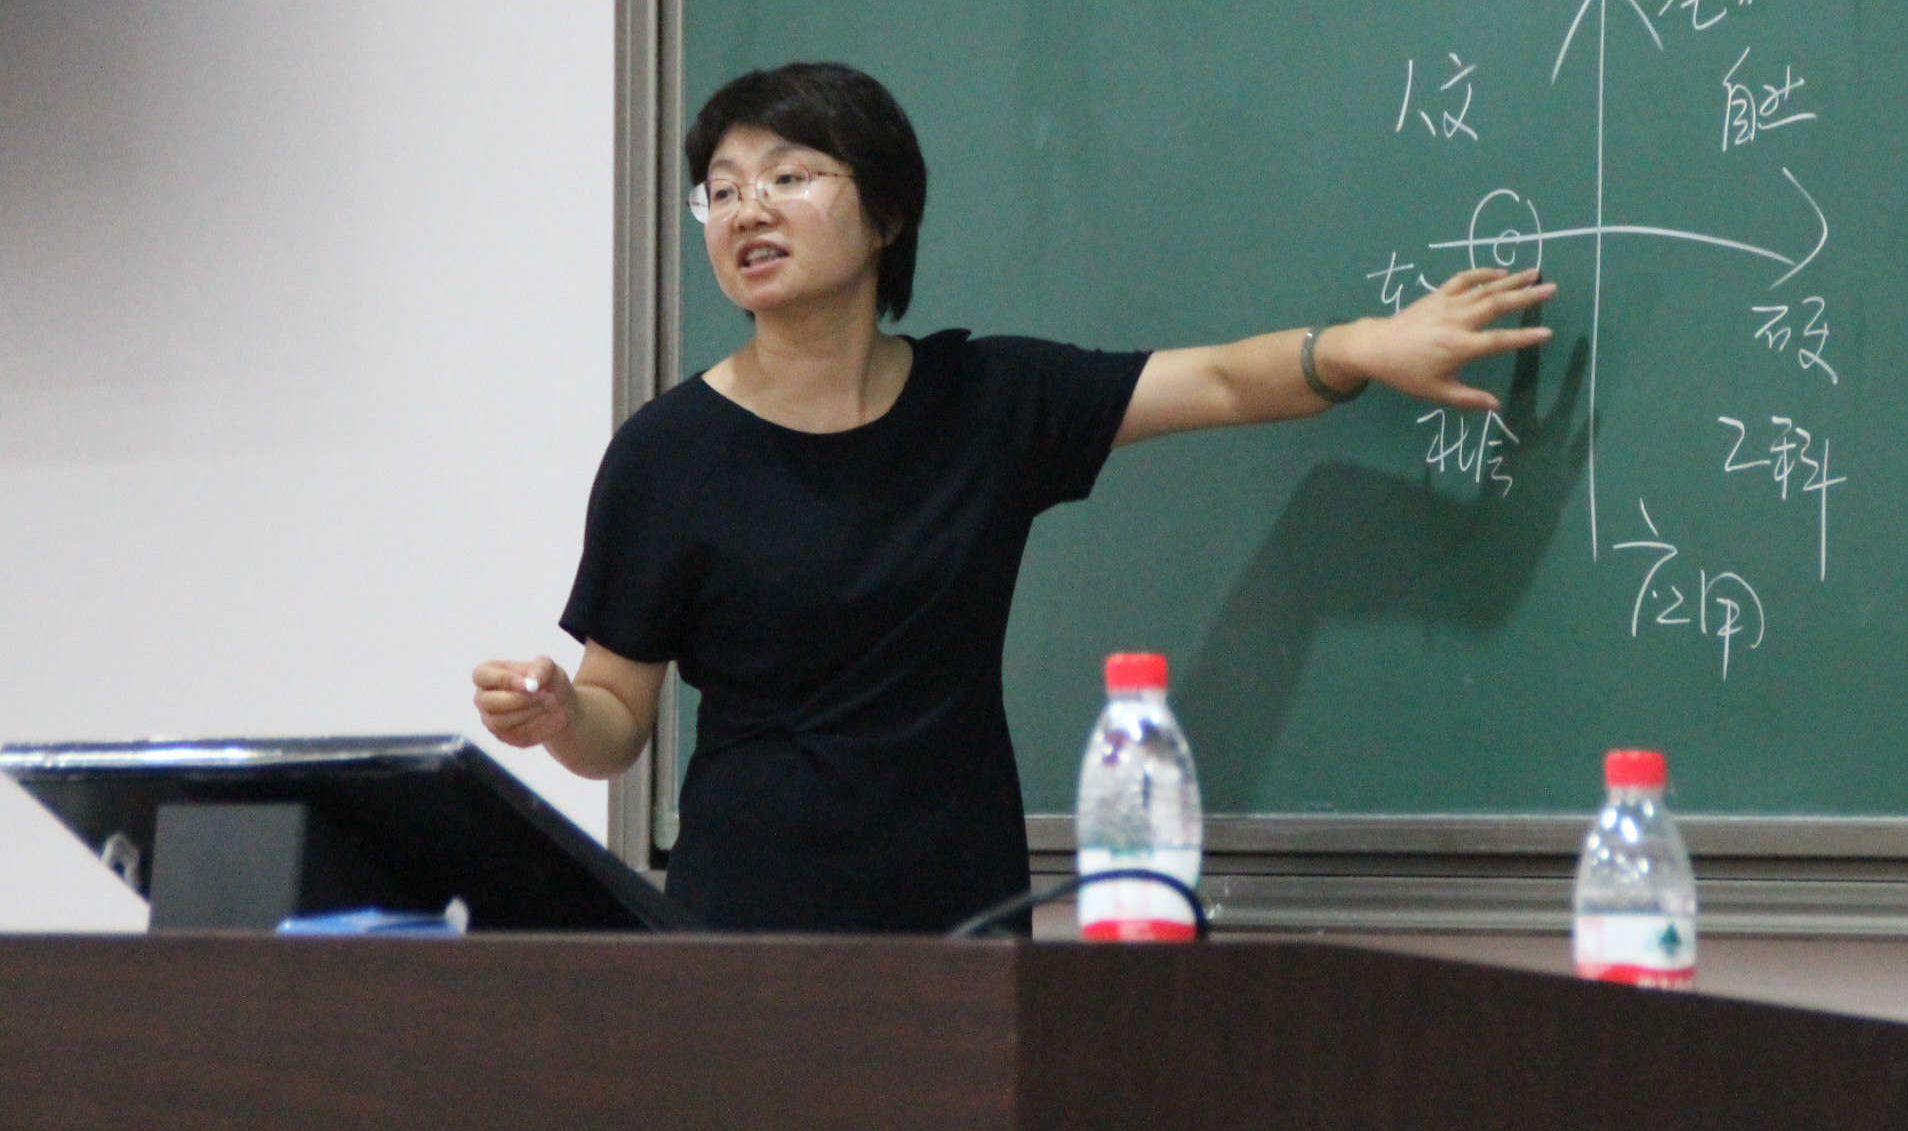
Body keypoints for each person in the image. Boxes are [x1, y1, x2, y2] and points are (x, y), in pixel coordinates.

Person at [472, 62, 1554, 932]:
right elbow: (616, 719)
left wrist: (1366, 345)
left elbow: (1222, 380)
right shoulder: (667, 453)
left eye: (790, 176)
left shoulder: (988, 401)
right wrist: (561, 714)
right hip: (748, 923)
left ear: (886, 213)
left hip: (965, 911)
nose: (747, 207)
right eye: (722, 188)